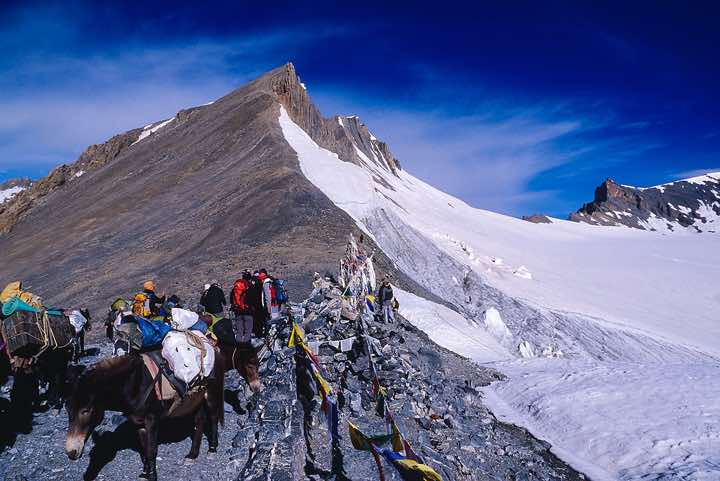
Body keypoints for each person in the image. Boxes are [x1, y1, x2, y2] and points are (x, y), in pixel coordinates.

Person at [230, 271, 255, 345]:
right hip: (247, 311)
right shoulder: (249, 286)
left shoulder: (236, 287)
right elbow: (252, 298)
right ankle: (246, 346)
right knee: (248, 330)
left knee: (239, 330)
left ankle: (238, 345)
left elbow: (231, 299)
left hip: (237, 311)